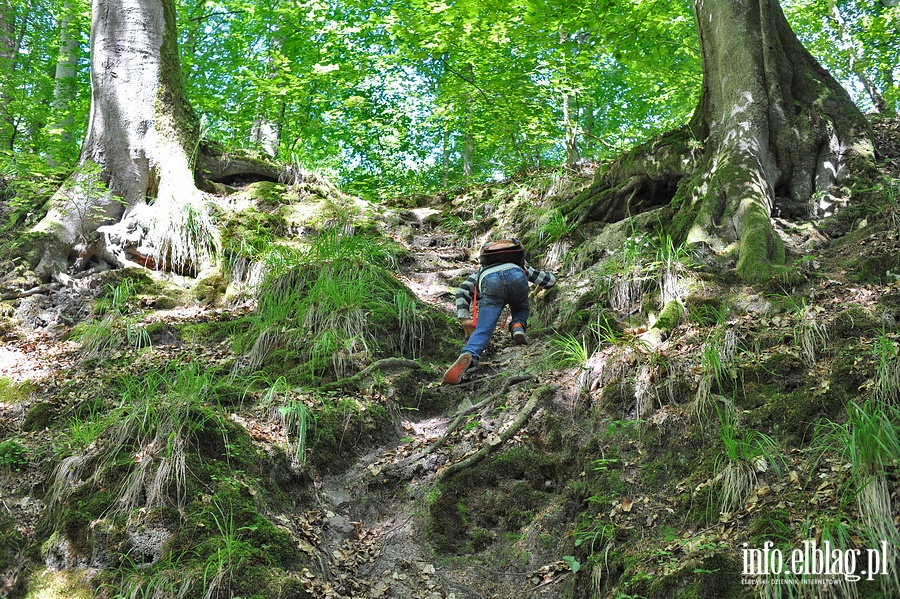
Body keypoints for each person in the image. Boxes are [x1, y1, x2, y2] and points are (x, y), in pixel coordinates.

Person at [442, 239, 556, 384]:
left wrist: (464, 319)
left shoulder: (481, 272)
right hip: (517, 277)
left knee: (484, 329)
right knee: (521, 306)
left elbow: (461, 291)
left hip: (490, 282)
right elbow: (550, 280)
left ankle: (469, 354)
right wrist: (540, 286)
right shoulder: (521, 266)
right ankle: (518, 326)